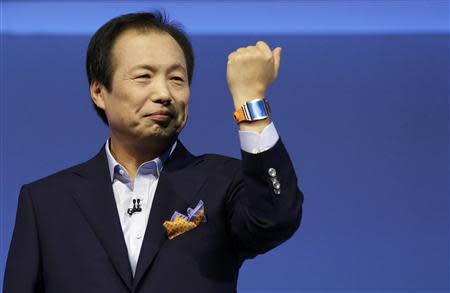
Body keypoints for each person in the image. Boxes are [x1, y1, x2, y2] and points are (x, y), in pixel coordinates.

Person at [3, 11, 304, 293]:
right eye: (144, 76)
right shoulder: (45, 202)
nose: (163, 94)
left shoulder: (222, 182)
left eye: (177, 79)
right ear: (99, 92)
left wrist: (249, 99)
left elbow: (276, 219)